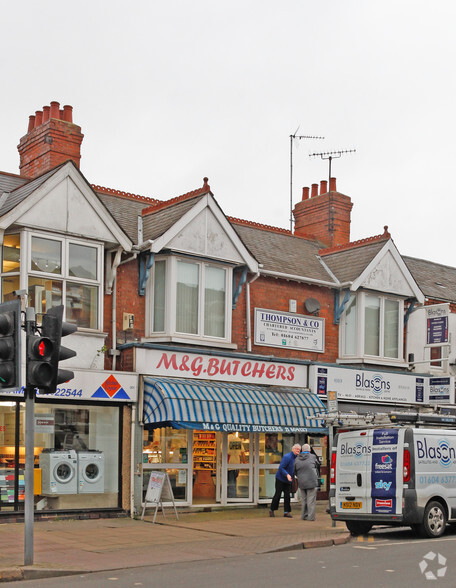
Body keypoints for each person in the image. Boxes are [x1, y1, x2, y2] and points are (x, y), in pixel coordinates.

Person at [269, 443, 301, 518]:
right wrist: (287, 475)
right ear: (293, 449)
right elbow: (281, 468)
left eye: (299, 450)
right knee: (277, 495)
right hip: (280, 478)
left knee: (287, 496)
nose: (298, 451)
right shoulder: (287, 457)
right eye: (297, 450)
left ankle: (287, 512)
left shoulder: (297, 458)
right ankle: (272, 509)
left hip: (288, 480)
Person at [294, 443, 320, 521]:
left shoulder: (297, 459)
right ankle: (311, 517)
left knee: (304, 500)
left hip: (302, 482)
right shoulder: (312, 457)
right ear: (309, 450)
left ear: (302, 450)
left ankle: (304, 516)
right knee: (311, 500)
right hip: (312, 481)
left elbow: (294, 470)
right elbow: (317, 465)